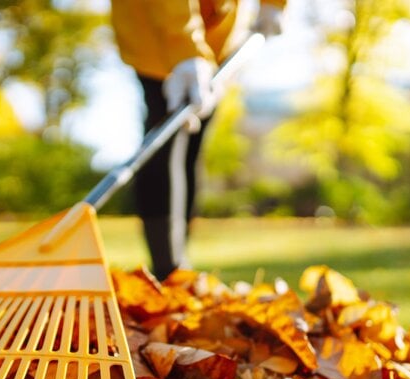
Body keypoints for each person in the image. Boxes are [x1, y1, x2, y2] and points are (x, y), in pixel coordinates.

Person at [109, 0, 286, 280]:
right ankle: (168, 268)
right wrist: (184, 48)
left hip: (218, 39)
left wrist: (274, 4)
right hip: (154, 28)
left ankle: (178, 268)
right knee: (164, 140)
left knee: (193, 144)